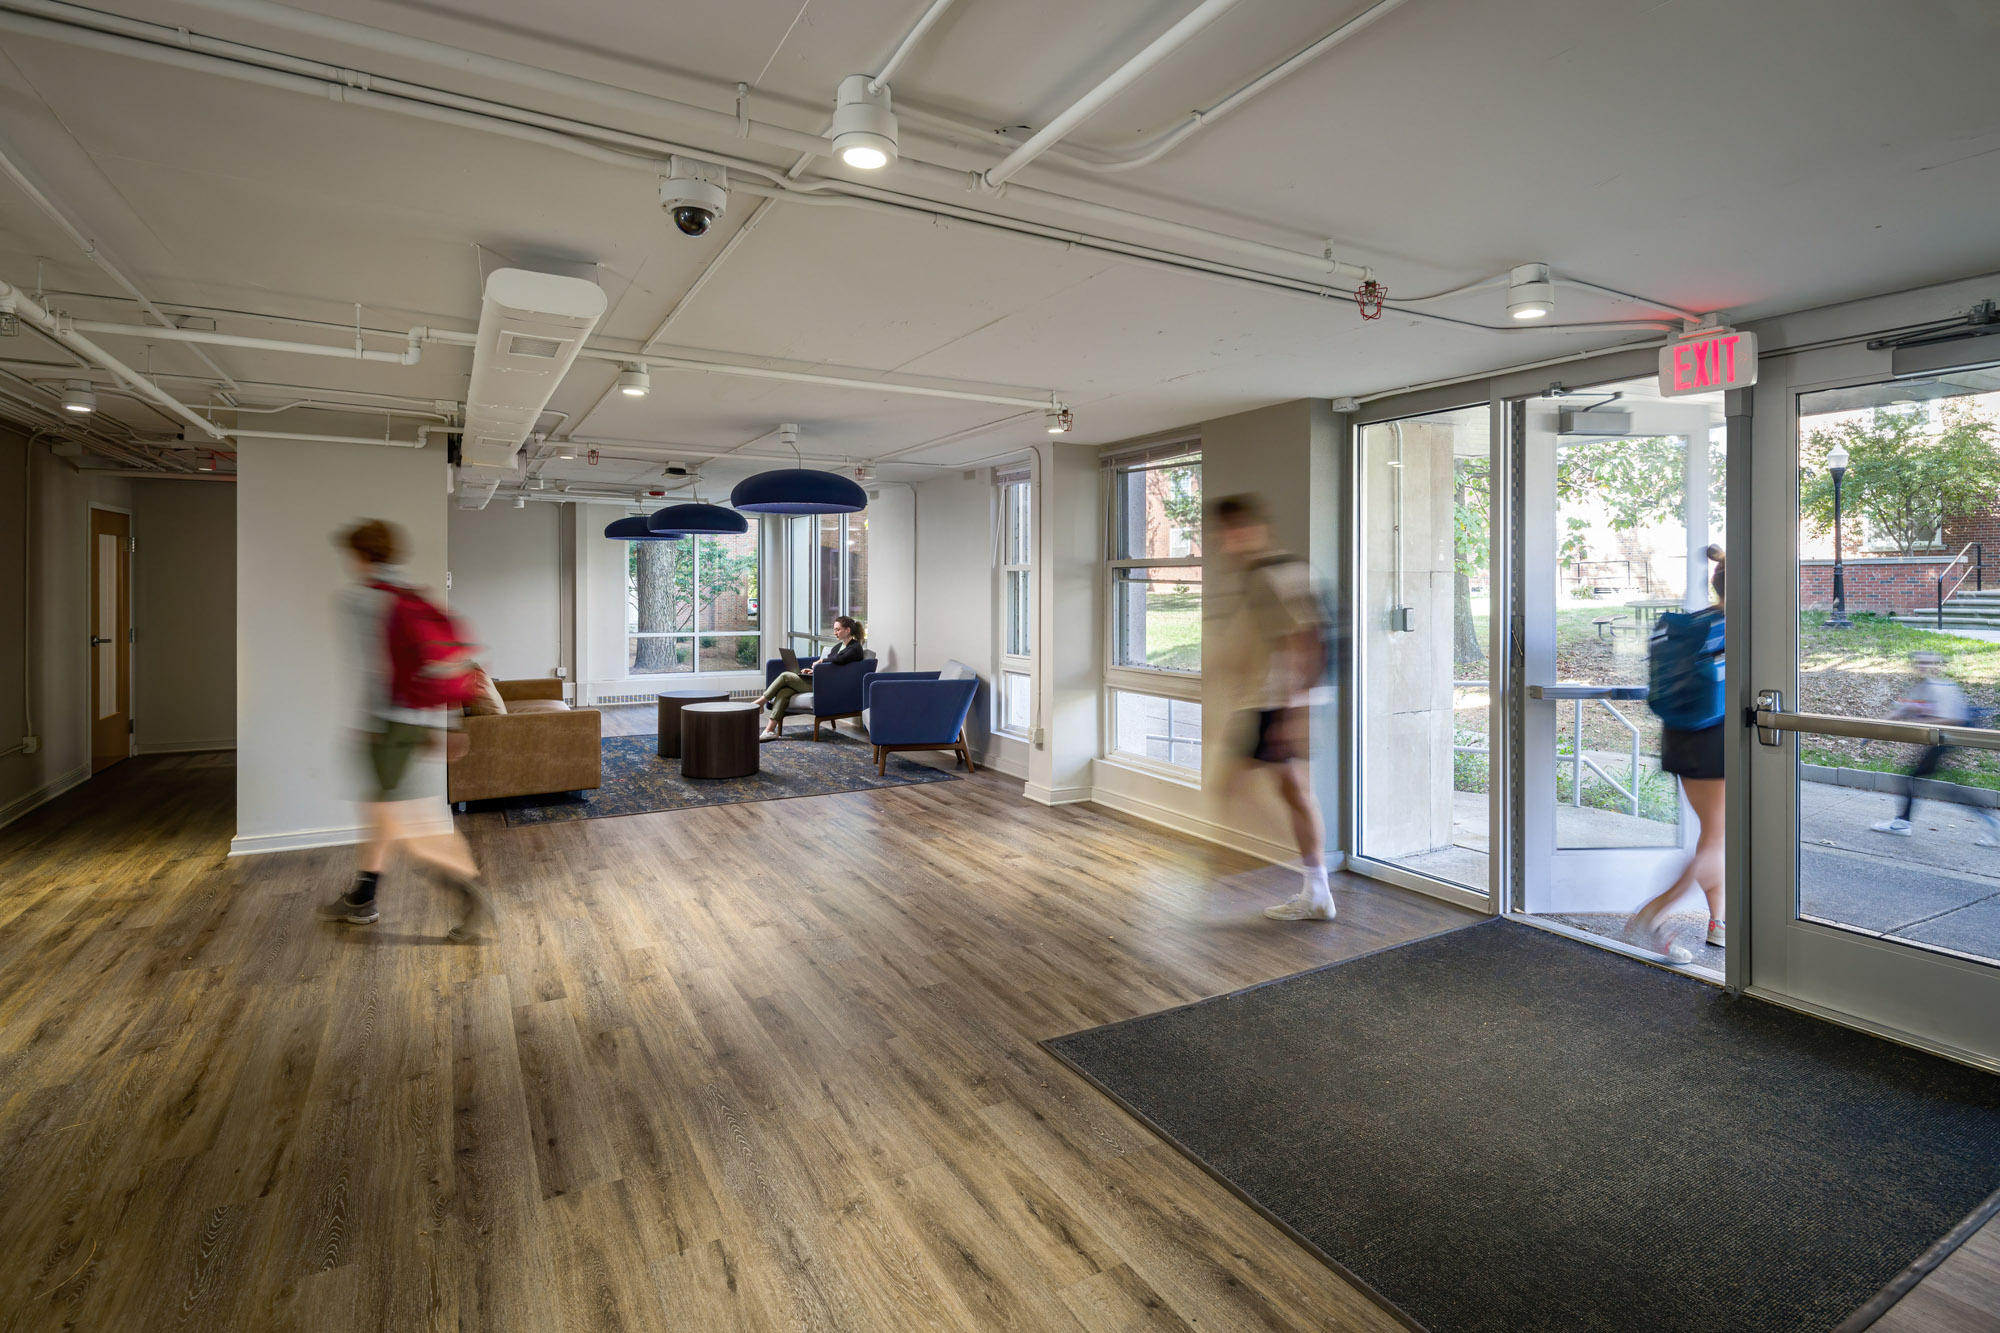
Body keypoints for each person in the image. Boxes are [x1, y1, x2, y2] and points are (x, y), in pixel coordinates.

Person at [317, 519, 497, 939]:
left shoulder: (360, 600)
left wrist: (373, 725)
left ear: (361, 555)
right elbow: (434, 666)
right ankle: (363, 896)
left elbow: (374, 671)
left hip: (386, 725)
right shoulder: (411, 596)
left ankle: (470, 896)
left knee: (404, 824)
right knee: (381, 816)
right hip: (412, 720)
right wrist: (438, 725)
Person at [1211, 495, 1338, 922]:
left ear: (1250, 528)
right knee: (1291, 792)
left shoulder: (1271, 573)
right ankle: (1315, 888)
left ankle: (1308, 884)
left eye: (1233, 531)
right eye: (1224, 534)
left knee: (1235, 788)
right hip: (1275, 700)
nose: (1228, 542)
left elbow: (1305, 638)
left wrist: (1291, 716)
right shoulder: (1274, 571)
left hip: (1276, 702)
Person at [1625, 546, 1726, 964]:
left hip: (1681, 735)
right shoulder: (1739, 625)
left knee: (1715, 833)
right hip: (1716, 739)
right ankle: (1656, 912)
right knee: (1719, 838)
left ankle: (1718, 921)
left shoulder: (1700, 623)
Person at [1870, 652, 2000, 841]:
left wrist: (1921, 723)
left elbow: (1954, 719)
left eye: (1927, 663)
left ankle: (1902, 823)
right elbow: (1901, 710)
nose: (1922, 666)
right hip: (1940, 738)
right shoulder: (1922, 686)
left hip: (1950, 736)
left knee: (1913, 778)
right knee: (1927, 780)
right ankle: (1989, 820)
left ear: (1937, 666)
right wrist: (1870, 731)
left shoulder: (1941, 687)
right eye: (1919, 663)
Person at [759, 615, 865, 740]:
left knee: (785, 676)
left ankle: (760, 702)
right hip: (820, 680)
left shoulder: (855, 648)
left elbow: (840, 660)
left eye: (838, 629)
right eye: (834, 629)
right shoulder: (838, 646)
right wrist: (813, 670)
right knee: (784, 691)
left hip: (827, 686)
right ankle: (769, 730)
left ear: (847, 630)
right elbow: (831, 665)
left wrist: (821, 661)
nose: (835, 632)